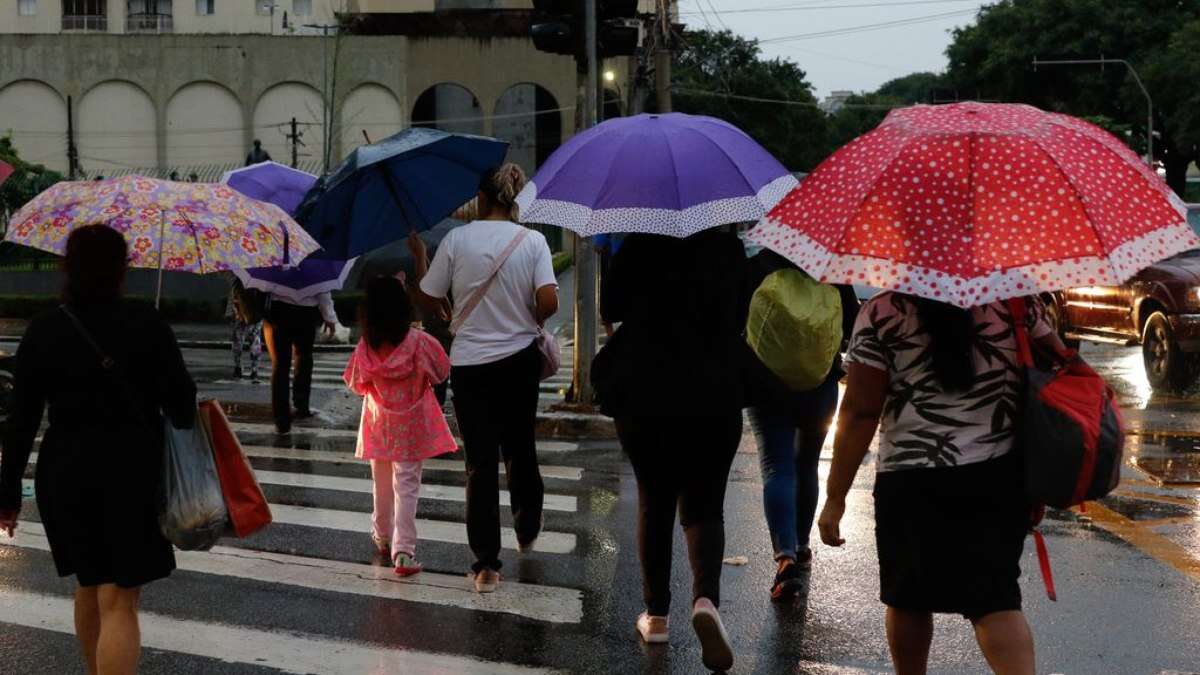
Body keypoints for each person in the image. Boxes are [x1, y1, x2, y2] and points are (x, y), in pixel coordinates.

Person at [818, 293, 1061, 675]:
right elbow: (1059, 372)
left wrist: (835, 496)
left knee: (908, 598)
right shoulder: (1017, 304)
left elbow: (862, 409)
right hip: (998, 475)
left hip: (911, 477)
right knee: (995, 600)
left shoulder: (883, 311)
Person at [0, 225, 196, 675]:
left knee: (90, 584)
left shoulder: (45, 328)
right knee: (119, 598)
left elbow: (21, 422)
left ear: (67, 267)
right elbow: (183, 410)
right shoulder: (146, 322)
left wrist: (7, 494)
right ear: (121, 268)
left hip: (65, 474)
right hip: (131, 471)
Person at [593, 227, 747, 673]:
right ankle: (705, 600)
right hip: (715, 388)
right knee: (705, 505)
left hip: (644, 388)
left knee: (654, 500)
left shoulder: (640, 244)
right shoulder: (728, 249)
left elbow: (610, 308)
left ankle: (657, 615)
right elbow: (739, 317)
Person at [413, 163, 559, 594]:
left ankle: (485, 565)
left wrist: (420, 256)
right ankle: (527, 524)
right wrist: (529, 312)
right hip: (519, 362)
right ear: (512, 198)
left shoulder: (457, 240)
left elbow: (428, 298)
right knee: (520, 447)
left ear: (481, 198)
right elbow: (549, 300)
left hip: (471, 364)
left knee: (479, 463)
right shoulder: (532, 241)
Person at [742, 246, 859, 600]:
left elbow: (738, 319)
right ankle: (803, 543)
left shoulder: (759, 264)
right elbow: (851, 324)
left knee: (777, 465)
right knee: (806, 462)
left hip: (765, 383)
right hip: (819, 384)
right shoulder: (832, 264)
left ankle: (785, 556)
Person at [343, 276, 457, 577]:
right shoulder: (419, 342)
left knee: (380, 482)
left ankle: (382, 536)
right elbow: (442, 370)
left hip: (378, 422)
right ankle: (403, 551)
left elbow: (355, 383)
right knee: (406, 486)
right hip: (411, 424)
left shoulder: (366, 346)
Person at [262, 291, 337, 434]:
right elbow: (322, 290)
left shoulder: (271, 268)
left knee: (280, 365)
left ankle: (281, 419)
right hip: (306, 313)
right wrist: (330, 317)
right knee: (304, 357)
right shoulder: (314, 268)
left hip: (278, 311)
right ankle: (301, 406)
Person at [226, 276, 263, 381]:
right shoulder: (260, 281)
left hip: (240, 319)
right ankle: (254, 371)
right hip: (255, 317)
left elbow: (233, 301)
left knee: (238, 343)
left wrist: (233, 315)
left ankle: (238, 368)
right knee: (255, 343)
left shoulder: (238, 281)